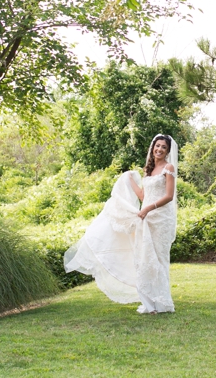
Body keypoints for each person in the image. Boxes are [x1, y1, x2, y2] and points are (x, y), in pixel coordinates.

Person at [63, 134, 178, 314]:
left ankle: (163, 302)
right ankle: (150, 304)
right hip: (146, 217)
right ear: (152, 147)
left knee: (159, 259)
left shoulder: (168, 168)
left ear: (168, 150)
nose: (159, 150)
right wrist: (129, 179)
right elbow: (143, 196)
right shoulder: (148, 169)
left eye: (163, 147)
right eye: (157, 146)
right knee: (144, 257)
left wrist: (148, 209)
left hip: (161, 219)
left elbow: (169, 196)